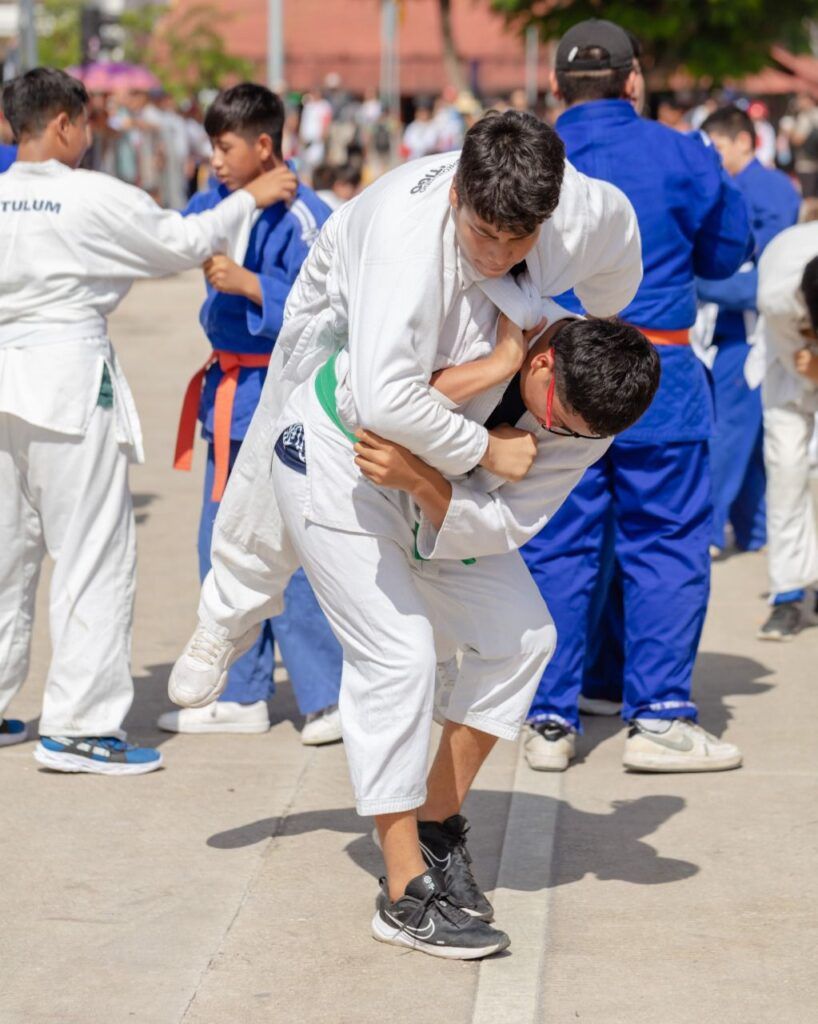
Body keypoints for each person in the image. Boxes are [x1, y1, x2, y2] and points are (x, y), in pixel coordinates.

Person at [169, 109, 644, 957]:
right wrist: (487, 434)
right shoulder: (403, 251)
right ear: (459, 194)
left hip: (419, 485)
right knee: (393, 646)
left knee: (524, 635)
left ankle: (434, 822)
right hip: (334, 438)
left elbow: (504, 523)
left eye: (518, 241)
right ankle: (400, 889)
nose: (498, 255)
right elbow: (385, 404)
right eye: (486, 235)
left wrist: (437, 472)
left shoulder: (579, 280)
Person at [0, 68, 290, 769]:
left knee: (7, 558)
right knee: (93, 557)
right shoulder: (90, 194)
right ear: (66, 124)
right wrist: (248, 198)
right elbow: (182, 241)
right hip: (65, 379)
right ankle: (79, 727)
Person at [520, 19, 752, 774]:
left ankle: (549, 718)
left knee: (556, 543)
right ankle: (657, 717)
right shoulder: (684, 153)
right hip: (661, 375)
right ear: (632, 80)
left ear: (556, 86)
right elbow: (725, 250)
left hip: (555, 376)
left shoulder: (532, 153)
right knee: (668, 542)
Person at [162, 83, 342, 743]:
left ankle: (328, 697)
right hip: (228, 396)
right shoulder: (216, 203)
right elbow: (174, 239)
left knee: (288, 548)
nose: (213, 157)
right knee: (222, 544)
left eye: (225, 145)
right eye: (211, 145)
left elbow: (332, 305)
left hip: (284, 396)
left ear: (264, 145)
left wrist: (252, 285)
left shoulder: (307, 213)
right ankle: (241, 693)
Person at [696, 105, 801, 558]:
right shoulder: (730, 185)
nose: (713, 157)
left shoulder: (771, 188)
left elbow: (768, 274)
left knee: (729, 434)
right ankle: (754, 530)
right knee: (752, 440)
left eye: (718, 147)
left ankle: (708, 533)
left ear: (743, 141)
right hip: (732, 329)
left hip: (750, 333)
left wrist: (695, 282)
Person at [755, 228, 818, 638]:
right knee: (789, 473)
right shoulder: (779, 297)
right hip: (788, 370)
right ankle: (788, 594)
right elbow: (800, 364)